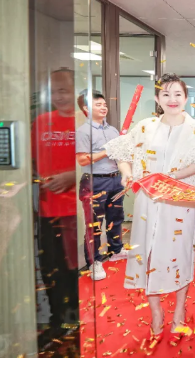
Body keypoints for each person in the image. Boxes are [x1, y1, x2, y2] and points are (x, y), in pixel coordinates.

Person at [104, 73, 195, 343]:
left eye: (177, 94)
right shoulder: (145, 127)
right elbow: (123, 154)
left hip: (179, 201)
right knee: (148, 254)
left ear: (185, 98)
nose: (172, 99)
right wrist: (127, 174)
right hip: (148, 202)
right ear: (157, 98)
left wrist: (170, 178)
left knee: (180, 254)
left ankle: (179, 312)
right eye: (166, 94)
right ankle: (156, 312)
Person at [30, 68, 79, 350]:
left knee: (74, 269)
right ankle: (58, 321)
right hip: (47, 210)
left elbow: (101, 164)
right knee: (52, 270)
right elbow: (30, 161)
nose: (59, 96)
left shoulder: (85, 122)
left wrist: (72, 176)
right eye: (54, 91)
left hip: (77, 212)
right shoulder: (41, 122)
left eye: (64, 90)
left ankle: (77, 320)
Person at [75, 91, 125, 282]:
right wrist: (107, 151)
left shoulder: (112, 130)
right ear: (86, 109)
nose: (104, 107)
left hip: (115, 179)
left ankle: (116, 250)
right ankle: (94, 261)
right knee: (94, 224)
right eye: (98, 105)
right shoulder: (83, 131)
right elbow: (82, 160)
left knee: (116, 218)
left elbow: (119, 154)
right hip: (94, 181)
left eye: (104, 104)